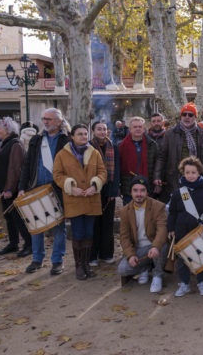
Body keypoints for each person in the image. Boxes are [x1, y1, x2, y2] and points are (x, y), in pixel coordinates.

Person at [18, 108, 70, 275]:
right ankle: (37, 259)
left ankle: (57, 261)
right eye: (44, 119)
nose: (45, 122)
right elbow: (27, 165)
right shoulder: (36, 140)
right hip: (36, 186)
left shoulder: (67, 140)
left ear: (59, 121)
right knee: (36, 225)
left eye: (49, 119)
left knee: (58, 227)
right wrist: (21, 187)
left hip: (57, 188)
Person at [53, 124, 107, 280]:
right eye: (80, 134)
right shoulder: (62, 155)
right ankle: (78, 266)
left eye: (85, 133)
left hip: (91, 198)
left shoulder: (94, 153)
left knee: (89, 233)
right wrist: (70, 186)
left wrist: (95, 184)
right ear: (72, 136)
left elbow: (102, 172)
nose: (84, 136)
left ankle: (86, 264)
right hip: (74, 199)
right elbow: (57, 175)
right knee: (78, 233)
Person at [168, 156, 203, 297]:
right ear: (183, 173)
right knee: (183, 260)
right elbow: (172, 213)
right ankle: (184, 284)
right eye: (187, 172)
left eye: (193, 172)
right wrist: (171, 229)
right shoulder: (178, 193)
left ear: (199, 173)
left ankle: (202, 282)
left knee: (201, 259)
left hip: (198, 232)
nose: (190, 175)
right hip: (181, 231)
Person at [0, 117, 32, 257]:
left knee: (18, 218)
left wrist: (9, 189)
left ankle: (29, 244)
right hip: (4, 189)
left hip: (12, 190)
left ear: (7, 130)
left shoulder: (15, 144)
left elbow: (15, 169)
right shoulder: (5, 143)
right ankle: (13, 244)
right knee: (8, 217)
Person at [117, 176, 169, 293]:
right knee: (122, 269)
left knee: (162, 246)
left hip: (153, 246)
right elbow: (124, 236)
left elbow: (162, 229)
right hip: (138, 249)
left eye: (142, 190)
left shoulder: (158, 207)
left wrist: (155, 246)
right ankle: (145, 267)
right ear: (131, 192)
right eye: (135, 190)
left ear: (147, 192)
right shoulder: (125, 211)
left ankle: (157, 275)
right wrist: (130, 255)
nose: (139, 194)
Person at [154, 102, 203, 201]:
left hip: (196, 177)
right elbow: (162, 157)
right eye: (184, 114)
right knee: (183, 203)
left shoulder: (202, 134)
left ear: (195, 117)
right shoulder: (170, 134)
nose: (187, 117)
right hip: (176, 178)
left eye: (190, 115)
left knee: (194, 204)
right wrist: (157, 176)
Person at [89, 121, 120, 266]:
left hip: (109, 190)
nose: (102, 132)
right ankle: (92, 256)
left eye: (104, 129)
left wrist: (114, 190)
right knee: (94, 223)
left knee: (107, 223)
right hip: (92, 189)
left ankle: (106, 254)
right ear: (93, 131)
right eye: (99, 129)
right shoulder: (87, 147)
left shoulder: (113, 147)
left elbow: (117, 170)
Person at [119, 117, 159, 204]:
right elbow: (118, 167)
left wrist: (157, 181)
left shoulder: (152, 145)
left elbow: (157, 165)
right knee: (130, 215)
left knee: (147, 216)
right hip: (128, 187)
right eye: (135, 127)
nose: (138, 129)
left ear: (144, 129)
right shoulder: (121, 146)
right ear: (130, 129)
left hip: (147, 186)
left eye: (140, 127)